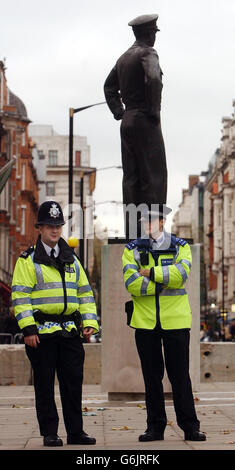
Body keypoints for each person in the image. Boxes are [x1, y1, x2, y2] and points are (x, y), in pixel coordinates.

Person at [11, 200, 99, 447]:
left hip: (70, 332)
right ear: (39, 227)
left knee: (73, 386)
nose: (55, 230)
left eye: (58, 225)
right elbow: (20, 295)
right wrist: (28, 329)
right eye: (50, 225)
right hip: (41, 333)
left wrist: (89, 321)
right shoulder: (27, 260)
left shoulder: (72, 259)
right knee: (44, 386)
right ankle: (50, 432)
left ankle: (76, 432)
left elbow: (85, 292)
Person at [122, 208, 206, 442]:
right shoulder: (132, 249)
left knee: (180, 376)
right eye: (144, 220)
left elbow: (182, 274)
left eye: (151, 219)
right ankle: (155, 427)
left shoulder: (181, 246)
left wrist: (149, 272)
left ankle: (190, 426)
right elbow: (131, 283)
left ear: (162, 220)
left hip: (176, 321)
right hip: (145, 322)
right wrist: (161, 283)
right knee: (151, 377)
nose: (147, 224)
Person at [104, 14, 167, 211]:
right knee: (154, 173)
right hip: (144, 119)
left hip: (128, 120)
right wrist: (154, 110)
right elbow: (154, 79)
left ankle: (133, 228)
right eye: (154, 33)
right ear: (150, 34)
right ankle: (153, 227)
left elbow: (108, 87)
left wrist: (119, 111)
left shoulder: (123, 58)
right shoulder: (148, 53)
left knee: (131, 176)